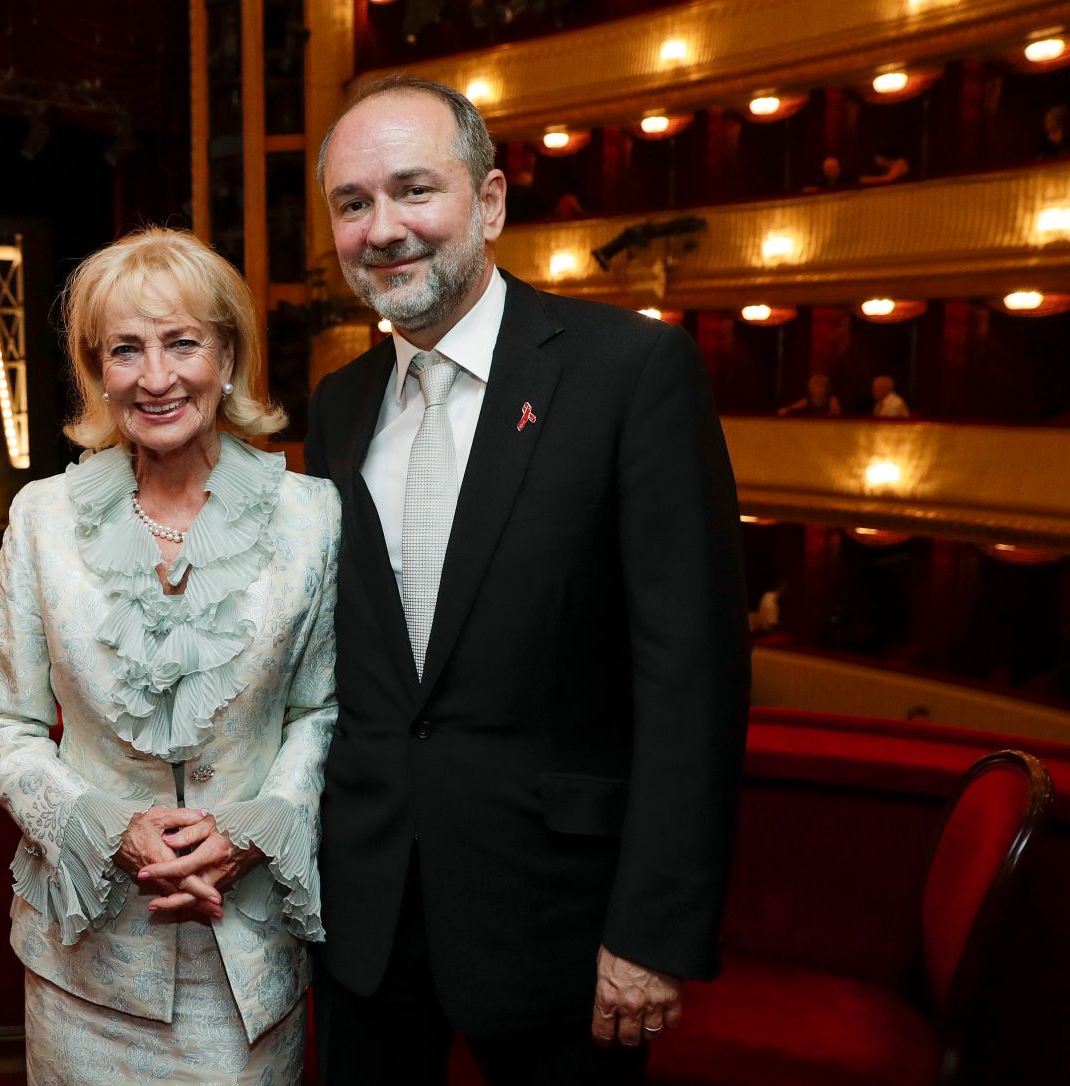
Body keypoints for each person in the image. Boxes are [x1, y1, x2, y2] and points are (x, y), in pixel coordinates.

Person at [305, 75, 749, 1083]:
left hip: (562, 927)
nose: (383, 229)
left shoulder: (629, 372)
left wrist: (653, 929)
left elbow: (691, 677)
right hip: (366, 923)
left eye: (414, 190)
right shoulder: (338, 404)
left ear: (491, 201)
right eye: (352, 203)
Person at [0, 227, 340, 1081]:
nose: (156, 377)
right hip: (86, 968)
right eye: (126, 349)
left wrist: (256, 827)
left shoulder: (312, 515)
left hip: (246, 963)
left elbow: (319, 707)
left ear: (228, 356)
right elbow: (3, 723)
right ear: (97, 371)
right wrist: (107, 827)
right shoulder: (42, 518)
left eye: (182, 343)